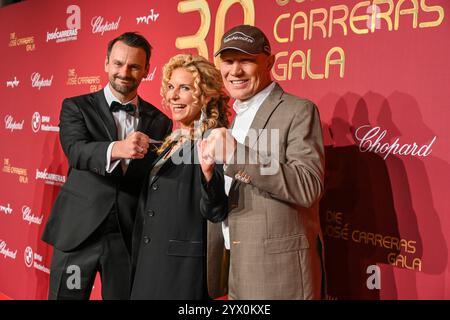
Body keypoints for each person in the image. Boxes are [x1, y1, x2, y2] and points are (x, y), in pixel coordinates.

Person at [42, 32, 172, 300]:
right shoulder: (76, 107)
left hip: (126, 239)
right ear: (106, 63)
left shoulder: (161, 121)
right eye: (118, 63)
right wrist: (118, 149)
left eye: (134, 66)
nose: (124, 72)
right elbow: (76, 151)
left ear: (147, 70)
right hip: (79, 235)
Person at [200, 25, 326, 299]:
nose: (235, 71)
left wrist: (237, 155)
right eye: (229, 61)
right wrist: (210, 178)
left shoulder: (298, 110)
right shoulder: (232, 120)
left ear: (269, 62)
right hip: (237, 264)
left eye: (246, 60)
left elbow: (308, 185)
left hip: (279, 272)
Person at [130, 53, 230, 300]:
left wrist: (208, 176)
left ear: (205, 95)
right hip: (150, 261)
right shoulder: (169, 141)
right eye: (171, 87)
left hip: (182, 271)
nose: (173, 96)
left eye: (184, 88)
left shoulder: (215, 139)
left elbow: (217, 210)